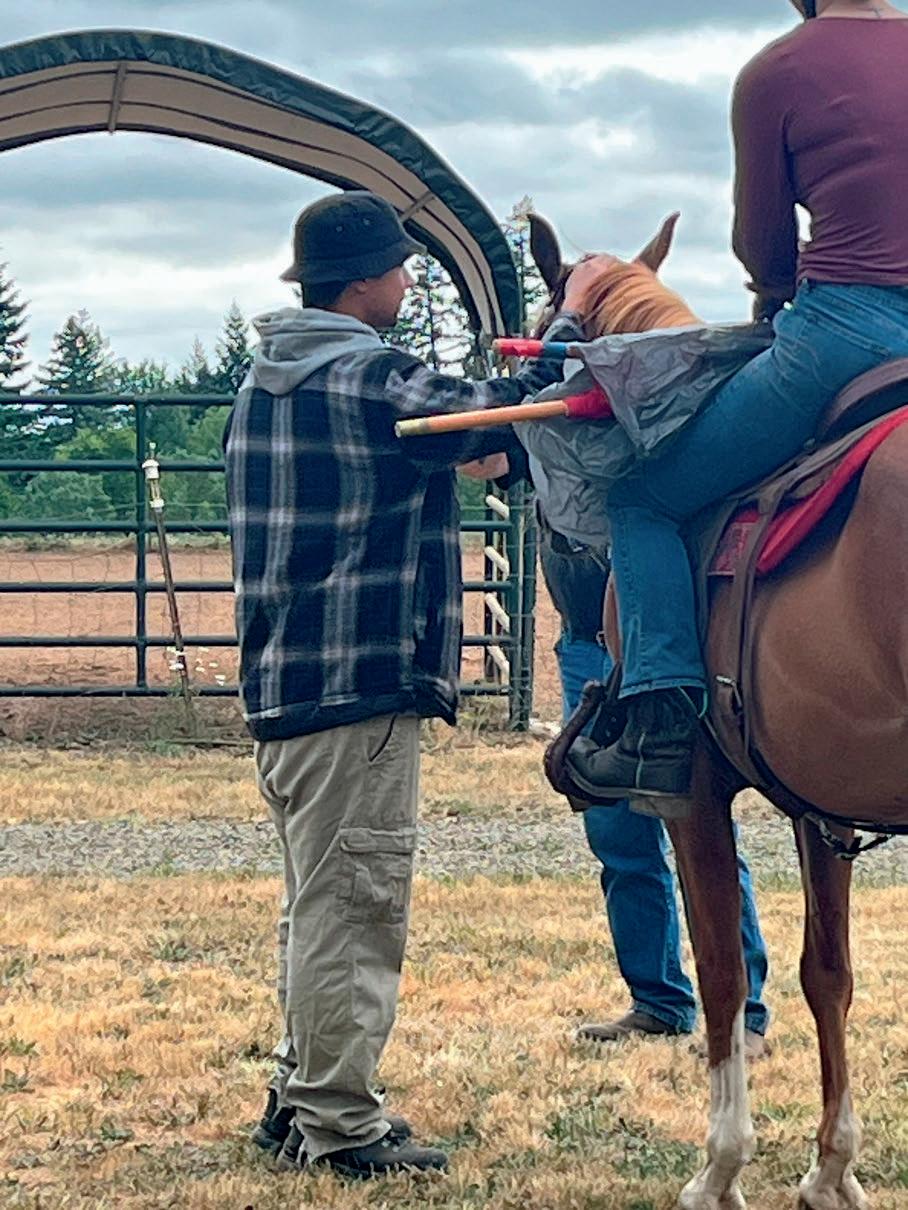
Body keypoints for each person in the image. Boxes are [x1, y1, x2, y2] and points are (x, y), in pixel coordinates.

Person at [224, 190, 584, 1178]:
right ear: (363, 282)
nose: (406, 280)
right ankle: (339, 1124)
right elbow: (498, 416)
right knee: (357, 905)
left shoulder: (266, 385)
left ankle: (297, 1095)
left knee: (317, 903)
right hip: (363, 682)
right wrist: (564, 349)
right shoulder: (369, 376)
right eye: (398, 268)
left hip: (286, 685)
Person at [569, 0, 908, 803]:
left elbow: (763, 243)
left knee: (644, 499)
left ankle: (660, 724)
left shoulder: (778, 70)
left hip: (845, 338)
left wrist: (774, 289)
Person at [536, 504, 769, 1049]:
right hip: (583, 636)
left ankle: (743, 1011)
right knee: (615, 833)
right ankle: (658, 1001)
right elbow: (489, 464)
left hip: (656, 643)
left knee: (697, 821)